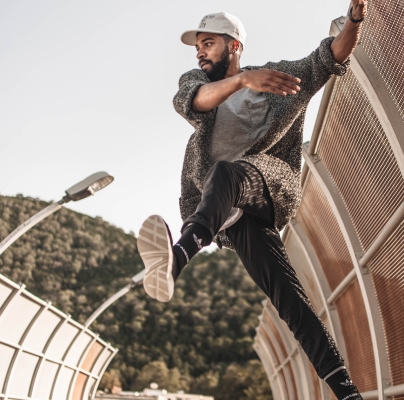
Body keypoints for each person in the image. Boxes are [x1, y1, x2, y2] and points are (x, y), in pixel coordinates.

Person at [137, 4, 367, 399]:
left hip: (269, 189)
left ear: (234, 45)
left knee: (228, 171)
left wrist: (356, 18)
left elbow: (331, 55)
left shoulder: (278, 78)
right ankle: (348, 393)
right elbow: (193, 101)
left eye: (208, 44)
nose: (200, 52)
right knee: (289, 300)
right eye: (198, 46)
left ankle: (179, 256)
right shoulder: (199, 80)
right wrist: (244, 80)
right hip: (228, 214)